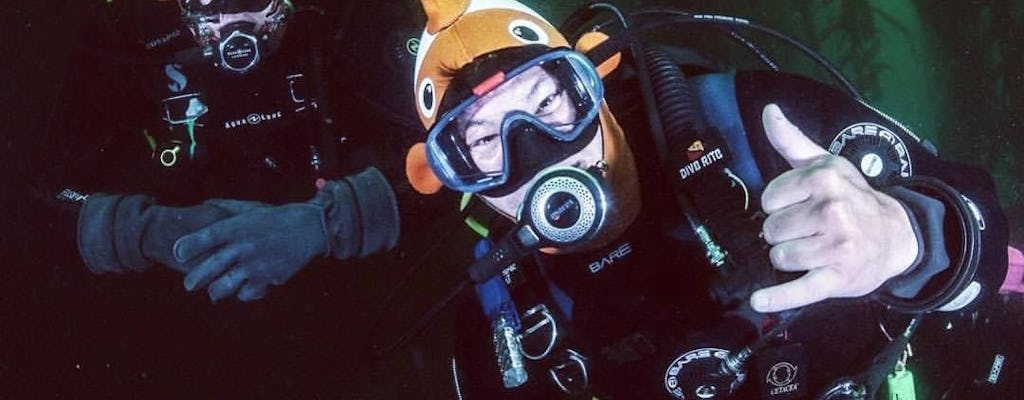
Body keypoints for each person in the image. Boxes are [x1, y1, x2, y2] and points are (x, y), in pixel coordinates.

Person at [398, 0, 1011, 398]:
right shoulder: (500, 316)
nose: (537, 152)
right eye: (481, 140)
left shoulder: (755, 125)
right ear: (452, 175)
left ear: (594, 83)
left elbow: (979, 214)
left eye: (547, 102)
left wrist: (904, 235)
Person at [34, 0, 408, 304]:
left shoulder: (342, 16)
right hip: (170, 313)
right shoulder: (121, 34)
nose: (233, 16)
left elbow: (449, 159)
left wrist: (328, 223)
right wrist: (146, 231)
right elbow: (42, 193)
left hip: (348, 296)